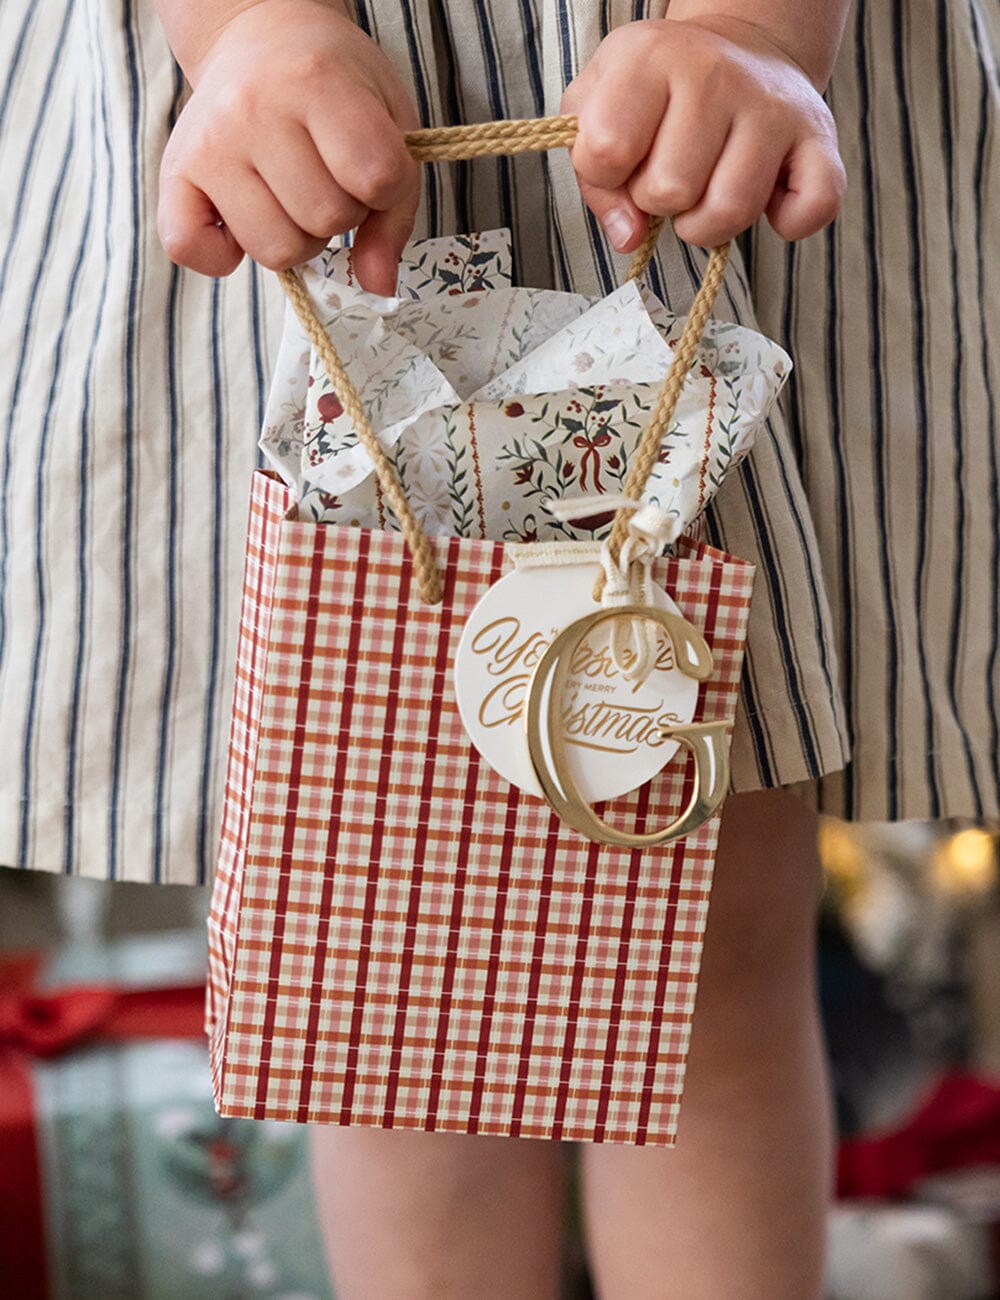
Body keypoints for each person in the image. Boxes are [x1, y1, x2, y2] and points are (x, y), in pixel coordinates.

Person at [1, 0, 996, 1296]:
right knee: (389, 985)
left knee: (701, 956)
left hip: (696, 141)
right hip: (299, 150)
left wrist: (756, 28)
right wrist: (243, 26)